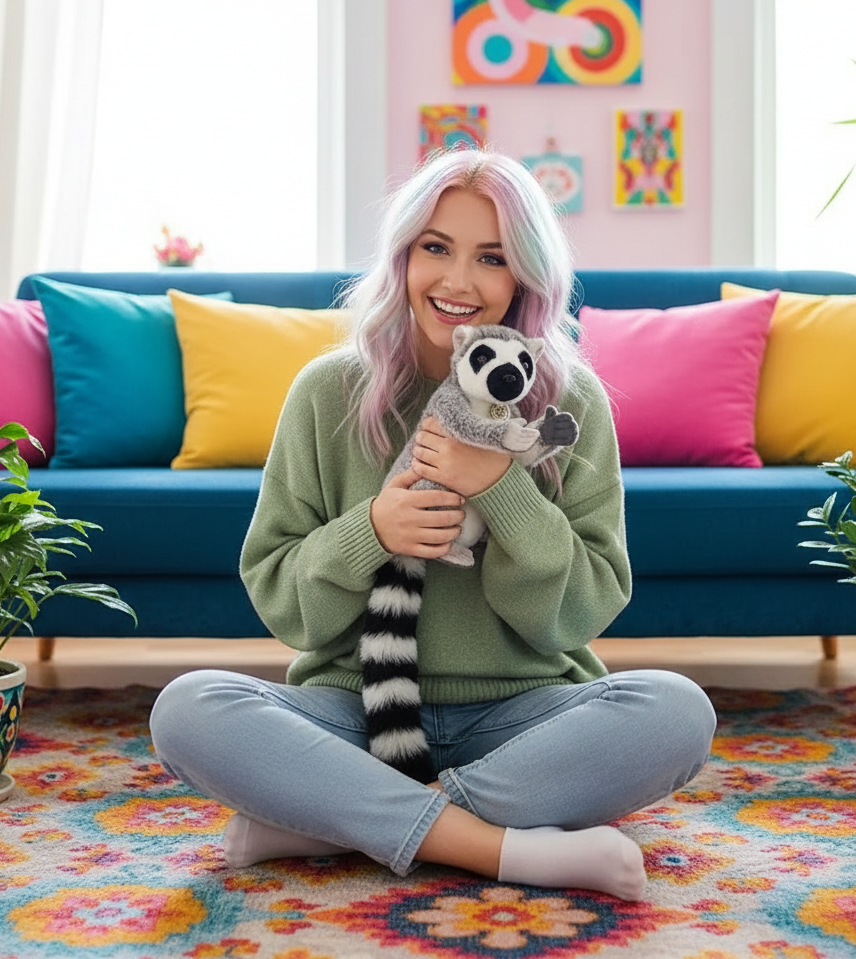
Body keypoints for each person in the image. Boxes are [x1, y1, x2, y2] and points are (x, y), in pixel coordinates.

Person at [149, 149, 716, 899]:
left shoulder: (566, 402)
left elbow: (582, 609)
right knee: (188, 709)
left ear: (526, 276)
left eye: (492, 257)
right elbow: (284, 606)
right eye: (435, 248)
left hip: (524, 712)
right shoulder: (327, 392)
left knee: (677, 712)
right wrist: (372, 531)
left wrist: (504, 489)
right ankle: (502, 848)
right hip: (355, 707)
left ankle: (330, 825)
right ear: (402, 255)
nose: (457, 281)